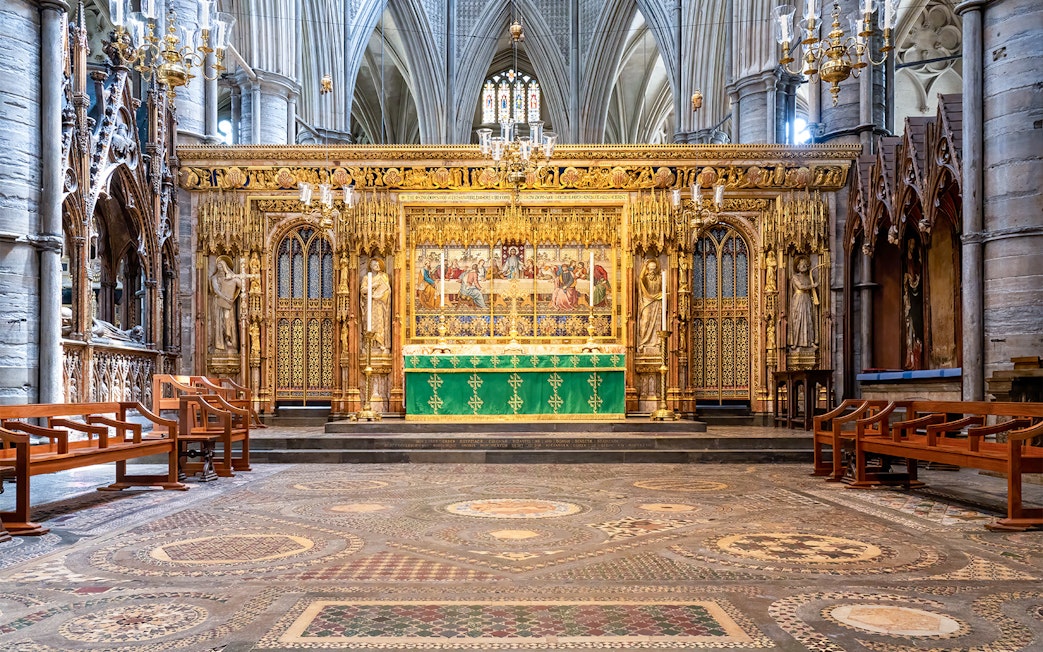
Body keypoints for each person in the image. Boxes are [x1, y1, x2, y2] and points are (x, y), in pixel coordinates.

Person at [211, 258, 243, 351]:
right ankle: (221, 342)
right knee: (220, 321)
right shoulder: (214, 278)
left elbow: (240, 285)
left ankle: (229, 338)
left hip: (229, 304)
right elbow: (216, 290)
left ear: (225, 267)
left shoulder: (230, 276)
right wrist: (226, 298)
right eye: (218, 266)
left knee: (227, 319)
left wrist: (233, 277)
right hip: (220, 303)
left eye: (222, 266)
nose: (220, 268)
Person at [361, 257, 392, 353]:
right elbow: (362, 290)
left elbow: (387, 290)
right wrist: (372, 286)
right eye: (375, 265)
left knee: (380, 324)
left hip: (380, 304)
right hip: (370, 305)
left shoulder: (384, 276)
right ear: (370, 266)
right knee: (369, 324)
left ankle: (381, 343)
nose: (377, 266)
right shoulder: (366, 278)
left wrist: (379, 295)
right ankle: (369, 345)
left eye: (378, 264)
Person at [788, 256, 818, 349]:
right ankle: (796, 342)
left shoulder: (809, 277)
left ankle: (811, 342)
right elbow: (800, 287)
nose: (803, 266)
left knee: (808, 319)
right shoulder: (795, 277)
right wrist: (812, 286)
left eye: (805, 264)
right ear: (797, 267)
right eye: (801, 264)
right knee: (798, 319)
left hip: (807, 299)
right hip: (798, 299)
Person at [637, 258, 663, 354]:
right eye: (650, 268)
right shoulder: (645, 278)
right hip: (646, 301)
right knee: (645, 320)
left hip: (657, 301)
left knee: (657, 323)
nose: (652, 271)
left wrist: (660, 295)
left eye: (654, 268)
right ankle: (643, 342)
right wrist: (644, 267)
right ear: (647, 268)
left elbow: (663, 289)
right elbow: (640, 280)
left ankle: (657, 342)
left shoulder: (659, 278)